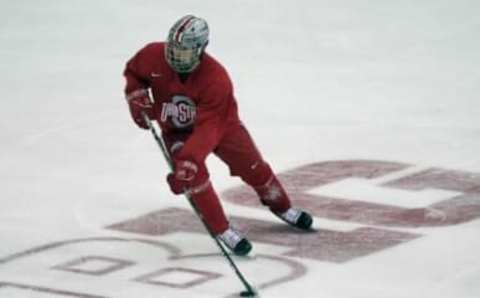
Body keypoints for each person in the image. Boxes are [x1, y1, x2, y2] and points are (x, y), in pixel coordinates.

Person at [123, 15, 313, 256]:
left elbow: (209, 129)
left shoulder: (216, 79)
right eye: (173, 49)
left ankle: (282, 206)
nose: (175, 56)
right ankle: (221, 228)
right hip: (176, 131)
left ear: (200, 50)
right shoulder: (152, 54)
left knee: (253, 167)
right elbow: (134, 72)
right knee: (195, 179)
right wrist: (135, 95)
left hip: (223, 128)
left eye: (184, 52)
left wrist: (189, 160)